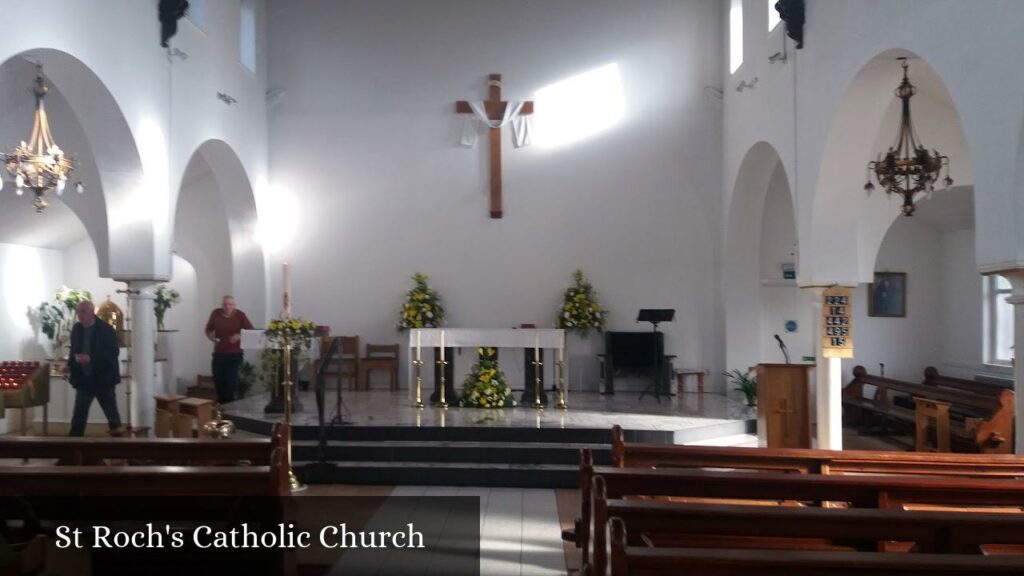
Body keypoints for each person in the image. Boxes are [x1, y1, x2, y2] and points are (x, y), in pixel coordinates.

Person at [66, 300, 122, 436]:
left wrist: (91, 358)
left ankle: (120, 449)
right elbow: (73, 350)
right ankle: (72, 451)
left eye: (83, 312)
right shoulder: (77, 329)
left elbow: (113, 352)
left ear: (92, 312)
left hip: (103, 380)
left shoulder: (106, 329)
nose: (80, 315)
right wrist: (69, 366)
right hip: (84, 380)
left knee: (112, 416)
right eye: (78, 312)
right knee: (78, 417)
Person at [205, 295, 254, 404]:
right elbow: (208, 328)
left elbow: (251, 330)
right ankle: (220, 412)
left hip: (235, 355)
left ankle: (229, 412)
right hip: (218, 354)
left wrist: (239, 335)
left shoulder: (240, 315)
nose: (228, 307)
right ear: (222, 305)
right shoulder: (215, 313)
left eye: (230, 304)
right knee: (219, 383)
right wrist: (210, 336)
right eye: (225, 304)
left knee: (230, 384)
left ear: (234, 306)